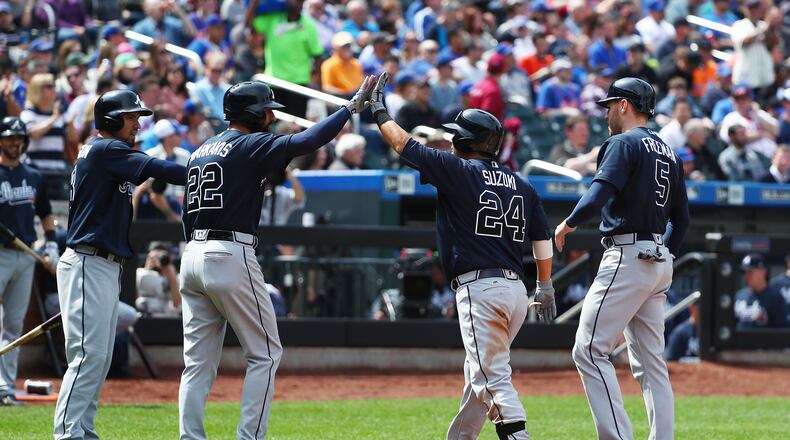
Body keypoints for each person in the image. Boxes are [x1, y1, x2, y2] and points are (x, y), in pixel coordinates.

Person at [178, 76, 376, 439]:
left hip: (191, 253)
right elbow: (307, 140)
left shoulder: (201, 149)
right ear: (252, 112)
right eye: (267, 110)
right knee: (266, 354)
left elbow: (184, 212)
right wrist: (348, 107)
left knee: (197, 364)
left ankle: (190, 436)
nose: (271, 117)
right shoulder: (250, 143)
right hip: (228, 251)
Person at [369, 72, 556, 440]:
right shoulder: (522, 183)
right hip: (517, 292)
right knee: (479, 376)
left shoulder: (458, 169)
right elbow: (543, 238)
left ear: (465, 140)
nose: (452, 140)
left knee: (492, 378)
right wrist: (545, 285)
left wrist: (379, 113)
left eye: (456, 135)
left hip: (480, 289)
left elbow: (405, 146)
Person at [554, 77, 690, 440]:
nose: (607, 113)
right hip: (658, 257)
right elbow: (684, 218)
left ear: (625, 105)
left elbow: (599, 194)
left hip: (629, 256)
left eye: (610, 105)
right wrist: (667, 254)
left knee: (588, 350)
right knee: (651, 364)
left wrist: (568, 223)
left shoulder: (622, 142)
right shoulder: (669, 151)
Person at [54, 90, 187, 439]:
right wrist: (203, 169)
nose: (137, 124)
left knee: (97, 359)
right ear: (111, 119)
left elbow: (150, 177)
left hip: (101, 263)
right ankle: (68, 435)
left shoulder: (106, 153)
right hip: (88, 260)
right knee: (88, 357)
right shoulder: (106, 148)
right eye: (131, 117)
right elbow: (158, 167)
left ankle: (83, 431)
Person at [0, 117, 57, 406]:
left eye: (18, 138)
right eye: (9, 137)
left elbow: (46, 213)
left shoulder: (33, 176)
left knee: (14, 327)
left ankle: (5, 389)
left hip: (25, 256)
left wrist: (52, 242)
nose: (14, 142)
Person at [734, 254, 788, 329]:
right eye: (744, 272)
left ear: (763, 271)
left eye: (750, 271)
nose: (747, 276)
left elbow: (782, 330)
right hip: (739, 340)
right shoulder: (739, 295)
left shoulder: (775, 297)